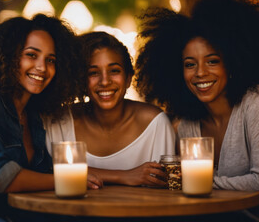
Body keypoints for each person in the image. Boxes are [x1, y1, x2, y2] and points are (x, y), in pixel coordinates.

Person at [135, 0, 259, 222]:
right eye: (189, 64)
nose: (200, 73)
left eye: (212, 61)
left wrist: (193, 180)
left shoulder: (258, 102)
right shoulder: (188, 124)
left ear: (234, 61)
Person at [0, 14, 102, 222]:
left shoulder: (32, 112)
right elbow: (1, 178)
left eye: (50, 60)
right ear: (8, 56)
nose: (42, 67)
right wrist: (71, 180)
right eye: (31, 55)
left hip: (15, 211)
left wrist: (125, 176)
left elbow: (57, 170)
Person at [44, 31, 175, 187]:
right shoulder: (59, 121)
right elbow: (51, 173)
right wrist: (124, 176)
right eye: (93, 73)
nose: (105, 81)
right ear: (81, 81)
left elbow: (163, 189)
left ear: (128, 78)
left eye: (114, 71)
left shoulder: (155, 123)